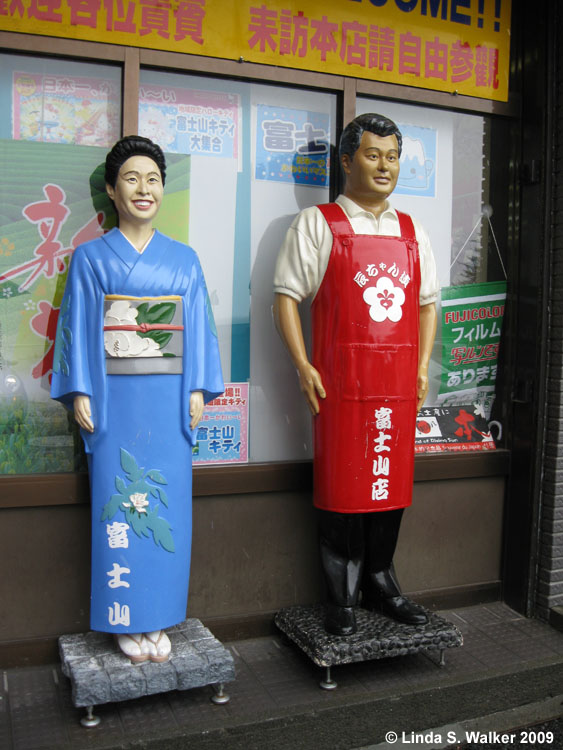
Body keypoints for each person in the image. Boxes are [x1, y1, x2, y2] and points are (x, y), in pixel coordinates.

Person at [51, 136, 224, 662]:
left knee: (167, 504)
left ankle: (162, 612)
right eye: (131, 178)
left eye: (153, 179)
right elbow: (78, 327)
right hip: (113, 398)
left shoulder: (184, 259)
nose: (144, 189)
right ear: (111, 190)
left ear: (163, 190)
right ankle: (125, 614)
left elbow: (198, 328)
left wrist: (197, 385)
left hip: (169, 398)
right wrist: (79, 387)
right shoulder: (90, 258)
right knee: (119, 505)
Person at [273, 113, 438, 636]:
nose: (385, 166)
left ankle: (382, 582)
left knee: (390, 485)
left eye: (392, 156)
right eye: (373, 155)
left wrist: (419, 367)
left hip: (395, 386)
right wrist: (303, 365)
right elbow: (286, 298)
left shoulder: (411, 232)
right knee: (343, 487)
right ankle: (340, 594)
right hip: (341, 385)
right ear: (347, 161)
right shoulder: (319, 224)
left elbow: (428, 305)